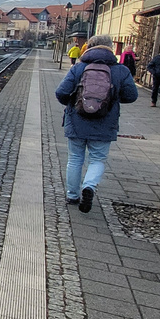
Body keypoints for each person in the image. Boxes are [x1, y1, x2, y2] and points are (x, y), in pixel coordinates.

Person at [56, 33, 138, 213]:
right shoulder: (121, 70)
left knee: (75, 158)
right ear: (110, 48)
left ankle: (72, 195)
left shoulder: (78, 68)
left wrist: (74, 104)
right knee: (98, 159)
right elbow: (132, 96)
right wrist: (111, 100)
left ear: (90, 46)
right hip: (105, 121)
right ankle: (89, 186)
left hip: (77, 120)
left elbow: (61, 92)